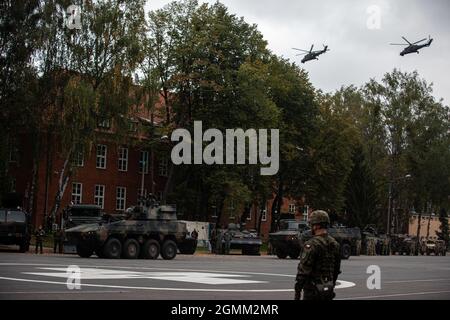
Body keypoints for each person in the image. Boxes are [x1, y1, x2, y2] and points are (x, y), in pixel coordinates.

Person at [295, 210, 341, 300]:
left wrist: (297, 292)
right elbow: (336, 269)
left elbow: (303, 271)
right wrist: (332, 284)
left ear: (317, 226)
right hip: (328, 290)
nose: (311, 227)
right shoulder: (335, 244)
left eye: (312, 225)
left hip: (312, 291)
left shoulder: (312, 244)